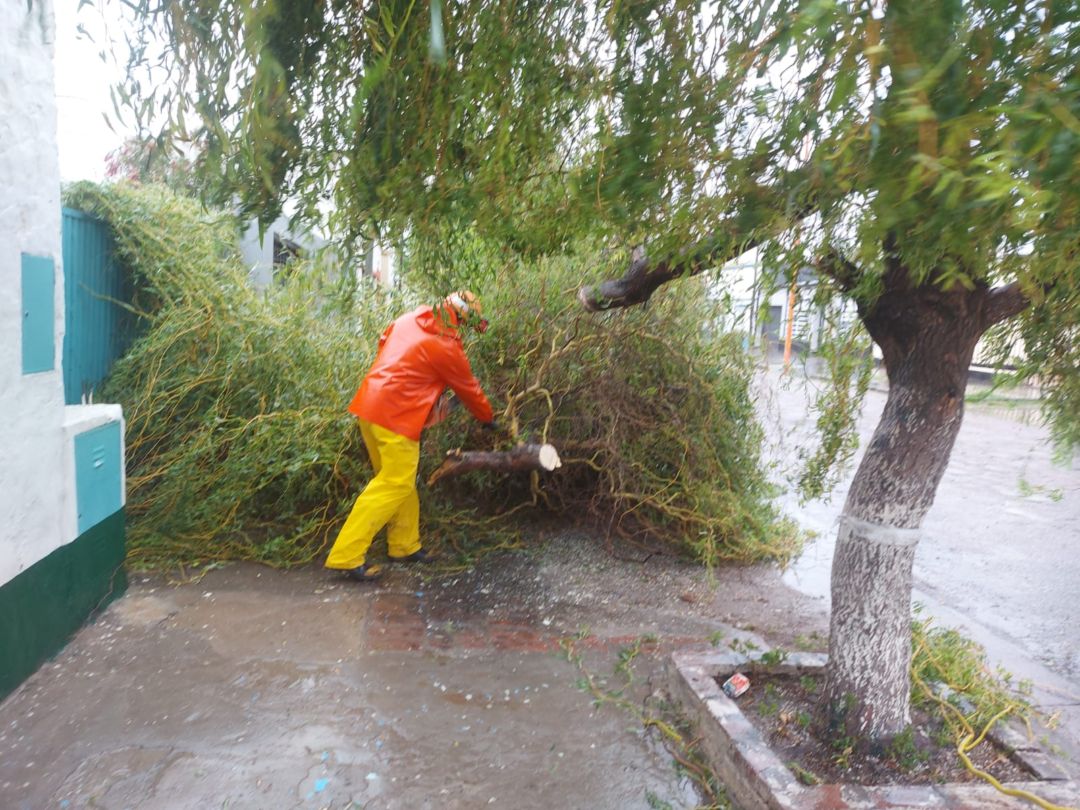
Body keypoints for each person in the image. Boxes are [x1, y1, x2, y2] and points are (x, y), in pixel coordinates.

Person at [325, 291, 495, 582]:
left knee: (398, 481)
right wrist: (489, 419)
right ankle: (346, 555)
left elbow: (383, 342)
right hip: (396, 417)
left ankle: (404, 545)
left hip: (369, 407)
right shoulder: (446, 345)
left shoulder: (408, 320)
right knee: (394, 483)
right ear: (463, 318)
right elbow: (469, 388)